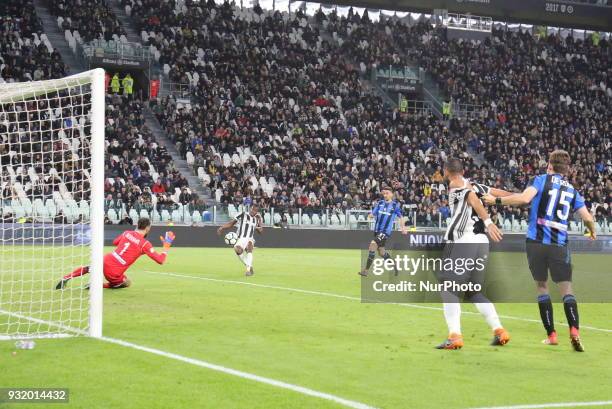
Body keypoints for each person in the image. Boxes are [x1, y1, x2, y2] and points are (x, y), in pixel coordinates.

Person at [483, 150, 596, 352]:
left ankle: (552, 335)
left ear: (550, 165)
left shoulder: (541, 180)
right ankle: (574, 332)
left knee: (542, 287)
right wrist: (592, 231)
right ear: (567, 169)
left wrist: (496, 201)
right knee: (566, 289)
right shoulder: (572, 190)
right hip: (559, 245)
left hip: (535, 242)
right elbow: (587, 218)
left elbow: (524, 199)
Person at [436, 158, 510, 350]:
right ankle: (499, 331)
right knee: (473, 291)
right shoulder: (476, 185)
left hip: (464, 241)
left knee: (448, 288)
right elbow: (498, 193)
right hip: (481, 244)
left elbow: (472, 198)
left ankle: (454, 336)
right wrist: (520, 197)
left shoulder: (455, 184)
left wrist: (488, 222)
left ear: (448, 171)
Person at [55, 218, 175, 289]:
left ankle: (66, 277)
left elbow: (115, 242)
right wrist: (166, 247)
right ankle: (96, 285)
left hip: (107, 259)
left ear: (137, 225)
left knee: (89, 268)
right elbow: (160, 260)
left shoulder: (127, 233)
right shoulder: (145, 244)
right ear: (148, 228)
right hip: (114, 271)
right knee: (127, 282)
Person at [358, 185, 407, 277]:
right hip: (377, 231)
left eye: (387, 193)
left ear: (391, 194)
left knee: (372, 245)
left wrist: (403, 227)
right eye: (383, 193)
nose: (385, 195)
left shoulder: (395, 206)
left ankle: (365, 271)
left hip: (385, 232)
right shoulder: (380, 203)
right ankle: (394, 266)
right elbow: (373, 213)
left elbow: (401, 217)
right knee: (381, 252)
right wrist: (370, 215)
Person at [217, 205, 263, 276]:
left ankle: (248, 271)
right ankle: (249, 266)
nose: (254, 212)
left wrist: (260, 222)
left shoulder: (256, 218)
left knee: (249, 250)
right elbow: (231, 224)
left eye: (256, 211)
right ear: (251, 209)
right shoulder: (243, 214)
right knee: (238, 250)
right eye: (253, 210)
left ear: (257, 212)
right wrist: (222, 227)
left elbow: (261, 231)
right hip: (240, 238)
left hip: (250, 238)